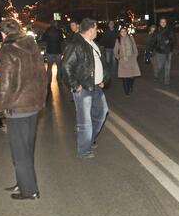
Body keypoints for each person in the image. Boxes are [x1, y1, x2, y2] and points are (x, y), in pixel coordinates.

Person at [0, 19, 47, 200]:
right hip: (32, 106)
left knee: (19, 152)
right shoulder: (31, 44)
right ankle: (23, 181)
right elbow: (42, 75)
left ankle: (29, 191)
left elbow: (3, 84)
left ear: (3, 33)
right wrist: (41, 100)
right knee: (26, 148)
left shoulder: (7, 50)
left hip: (17, 108)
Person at [61, 18, 110, 158]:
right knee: (85, 121)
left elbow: (99, 63)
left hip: (96, 86)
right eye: (96, 29)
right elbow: (66, 66)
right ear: (90, 30)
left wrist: (103, 79)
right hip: (84, 88)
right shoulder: (76, 44)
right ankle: (83, 150)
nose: (97, 31)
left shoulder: (92, 43)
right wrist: (75, 85)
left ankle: (89, 138)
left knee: (101, 112)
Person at [113, 26, 141, 96]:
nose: (123, 33)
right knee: (124, 77)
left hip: (131, 59)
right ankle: (126, 92)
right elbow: (115, 50)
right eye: (122, 31)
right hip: (123, 60)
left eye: (124, 31)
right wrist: (118, 57)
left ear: (127, 32)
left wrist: (135, 55)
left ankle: (130, 85)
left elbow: (134, 47)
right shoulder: (118, 39)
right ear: (120, 33)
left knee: (132, 76)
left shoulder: (131, 38)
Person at [149, 17, 174, 85]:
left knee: (167, 68)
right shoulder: (156, 32)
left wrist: (169, 41)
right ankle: (161, 76)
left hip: (168, 52)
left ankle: (166, 81)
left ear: (166, 23)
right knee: (160, 67)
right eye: (162, 22)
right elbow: (153, 42)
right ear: (159, 23)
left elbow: (174, 40)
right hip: (159, 52)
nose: (163, 23)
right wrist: (157, 47)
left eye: (164, 22)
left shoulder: (169, 31)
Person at [41, 21, 64, 86]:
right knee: (59, 66)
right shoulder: (59, 31)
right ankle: (59, 79)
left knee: (49, 66)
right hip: (58, 51)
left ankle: (49, 80)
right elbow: (62, 40)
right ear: (56, 24)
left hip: (49, 51)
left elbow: (43, 39)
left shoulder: (47, 31)